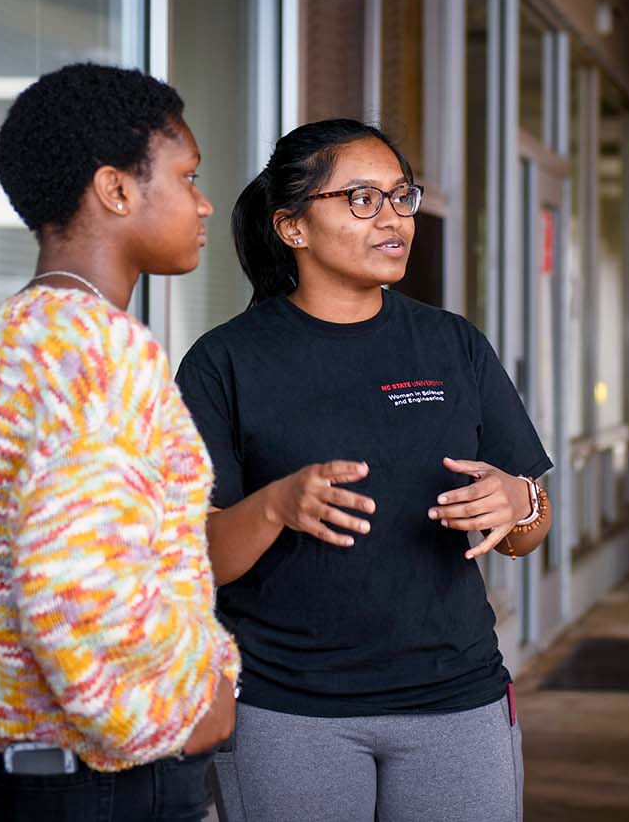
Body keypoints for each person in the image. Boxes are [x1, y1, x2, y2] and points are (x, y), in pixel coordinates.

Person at [0, 63, 240, 822]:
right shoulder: (103, 352)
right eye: (188, 176)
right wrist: (193, 705)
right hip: (102, 783)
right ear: (116, 189)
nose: (203, 204)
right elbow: (76, 587)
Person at [174, 118, 551, 822]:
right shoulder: (225, 362)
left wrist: (519, 503)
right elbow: (198, 559)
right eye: (361, 199)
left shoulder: (452, 345)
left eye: (400, 196)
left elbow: (530, 530)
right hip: (289, 709)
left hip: (456, 700)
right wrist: (277, 505)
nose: (394, 219)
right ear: (292, 227)